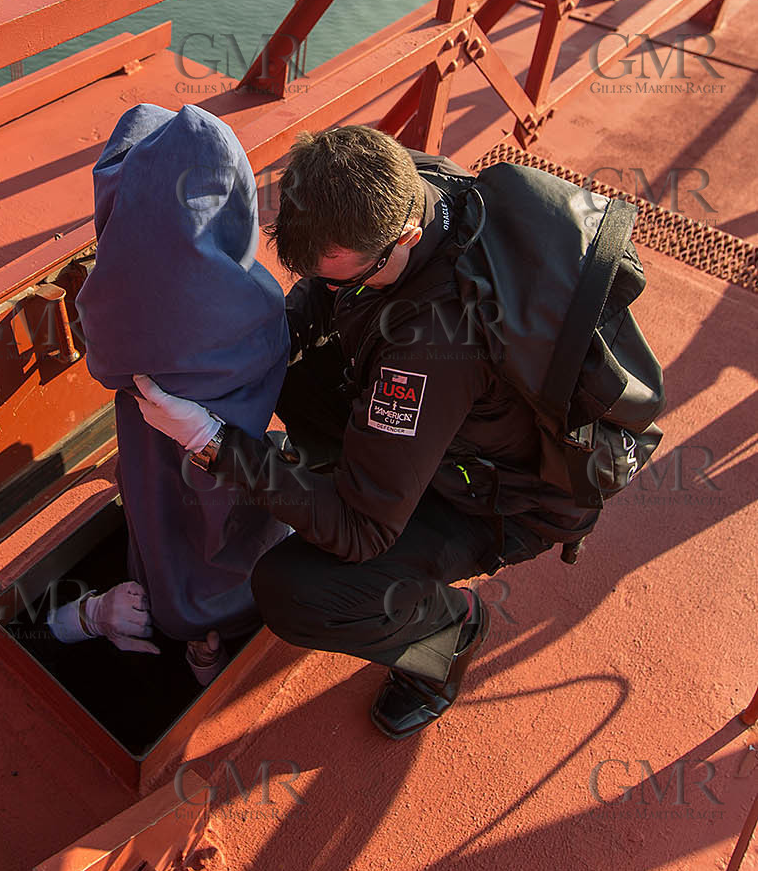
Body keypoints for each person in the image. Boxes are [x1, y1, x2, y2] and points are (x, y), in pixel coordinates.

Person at [132, 123, 615, 739]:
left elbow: (363, 530)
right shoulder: (401, 180)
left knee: (295, 591)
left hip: (508, 497)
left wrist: (213, 443)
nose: (329, 289)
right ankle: (351, 474)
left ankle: (447, 637)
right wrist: (255, 341)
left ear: (404, 238)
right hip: (467, 417)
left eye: (344, 279)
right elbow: (324, 294)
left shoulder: (430, 349)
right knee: (291, 369)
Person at [66, 102, 292, 681]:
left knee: (163, 528)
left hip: (157, 455)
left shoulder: (115, 305)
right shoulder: (255, 296)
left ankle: (166, 624)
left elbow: (106, 364)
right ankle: (211, 641)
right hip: (238, 460)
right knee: (229, 532)